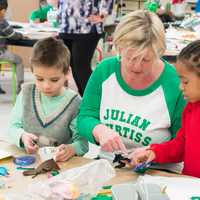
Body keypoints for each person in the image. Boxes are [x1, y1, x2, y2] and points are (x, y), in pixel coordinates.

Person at [77, 10, 185, 164]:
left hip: (158, 171)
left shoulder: (175, 83)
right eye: (130, 57)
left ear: (159, 52)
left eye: (146, 60)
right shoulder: (104, 70)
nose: (136, 67)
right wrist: (98, 130)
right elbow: (85, 117)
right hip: (109, 165)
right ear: (119, 47)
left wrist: (153, 153)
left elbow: (184, 144)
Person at [8, 37, 88, 162]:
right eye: (39, 79)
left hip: (60, 167)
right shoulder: (26, 93)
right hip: (28, 162)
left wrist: (71, 149)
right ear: (32, 71)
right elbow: (12, 127)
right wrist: (22, 136)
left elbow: (82, 143)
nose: (46, 86)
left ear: (67, 73)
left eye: (54, 80)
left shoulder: (75, 103)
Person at [129, 40, 200, 178]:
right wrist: (154, 152)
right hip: (189, 188)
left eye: (185, 82)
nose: (180, 87)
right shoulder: (191, 107)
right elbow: (182, 144)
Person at [58, 0, 114, 96]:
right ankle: (84, 97)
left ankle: (94, 99)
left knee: (81, 66)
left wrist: (102, 15)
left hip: (87, 27)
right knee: (73, 66)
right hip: (66, 26)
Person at [0, 0, 24, 94]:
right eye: (5, 11)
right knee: (18, 60)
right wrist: (22, 35)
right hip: (1, 53)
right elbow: (13, 36)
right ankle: (20, 87)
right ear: (2, 11)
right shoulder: (2, 22)